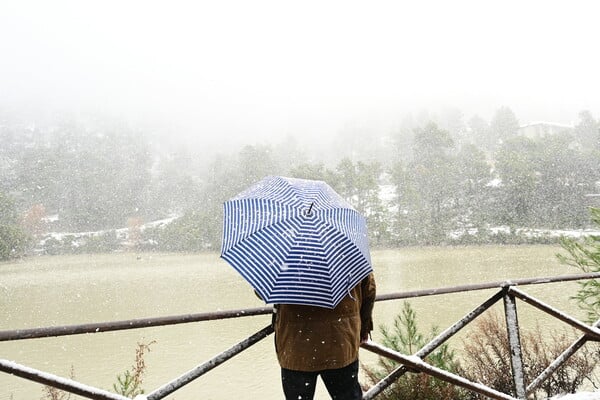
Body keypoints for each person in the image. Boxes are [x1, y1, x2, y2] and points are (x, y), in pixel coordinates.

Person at [273, 272, 376, 400]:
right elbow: (369, 292)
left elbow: (263, 291)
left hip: (296, 348)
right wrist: (363, 328)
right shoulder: (352, 258)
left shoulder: (285, 261)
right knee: (347, 395)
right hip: (341, 343)